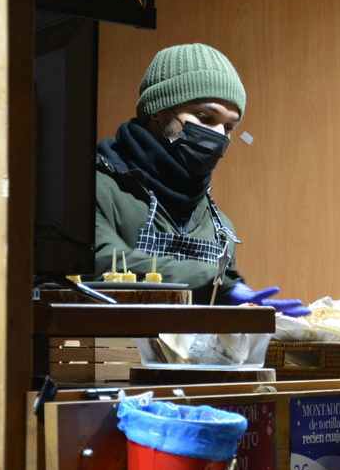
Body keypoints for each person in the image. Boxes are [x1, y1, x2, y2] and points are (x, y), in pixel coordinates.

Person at [95, 43, 308, 315]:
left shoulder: (220, 228)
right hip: (109, 355)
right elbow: (100, 261)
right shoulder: (93, 188)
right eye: (205, 117)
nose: (219, 135)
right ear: (157, 111)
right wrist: (213, 284)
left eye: (229, 127)